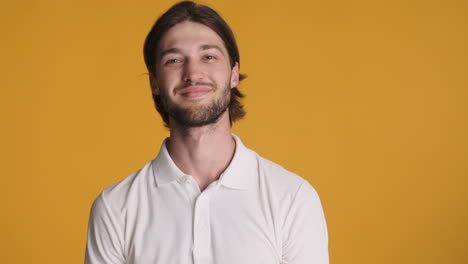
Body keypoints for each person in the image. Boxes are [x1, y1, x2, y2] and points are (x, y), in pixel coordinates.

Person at [85, 1, 329, 263]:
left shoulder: (292, 198)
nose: (193, 73)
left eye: (209, 57)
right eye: (174, 60)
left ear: (233, 74)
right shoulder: (115, 208)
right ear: (154, 82)